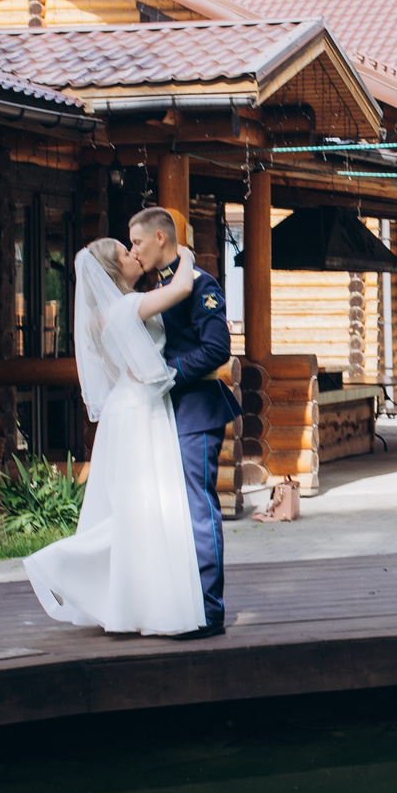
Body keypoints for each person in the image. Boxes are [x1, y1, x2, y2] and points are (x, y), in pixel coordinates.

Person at [21, 237, 208, 636]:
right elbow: (183, 288)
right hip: (139, 410)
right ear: (111, 269)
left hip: (127, 408)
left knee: (133, 507)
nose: (134, 254)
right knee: (142, 507)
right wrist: (183, 251)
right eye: (126, 252)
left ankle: (130, 601)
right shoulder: (125, 306)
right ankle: (61, 562)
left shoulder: (104, 314)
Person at [126, 206, 240, 639]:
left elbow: (216, 349)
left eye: (137, 242)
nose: (134, 250)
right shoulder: (160, 286)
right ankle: (179, 603)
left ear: (159, 237)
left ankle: (209, 612)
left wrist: (164, 373)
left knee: (197, 509)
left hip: (196, 409)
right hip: (165, 413)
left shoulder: (201, 285)